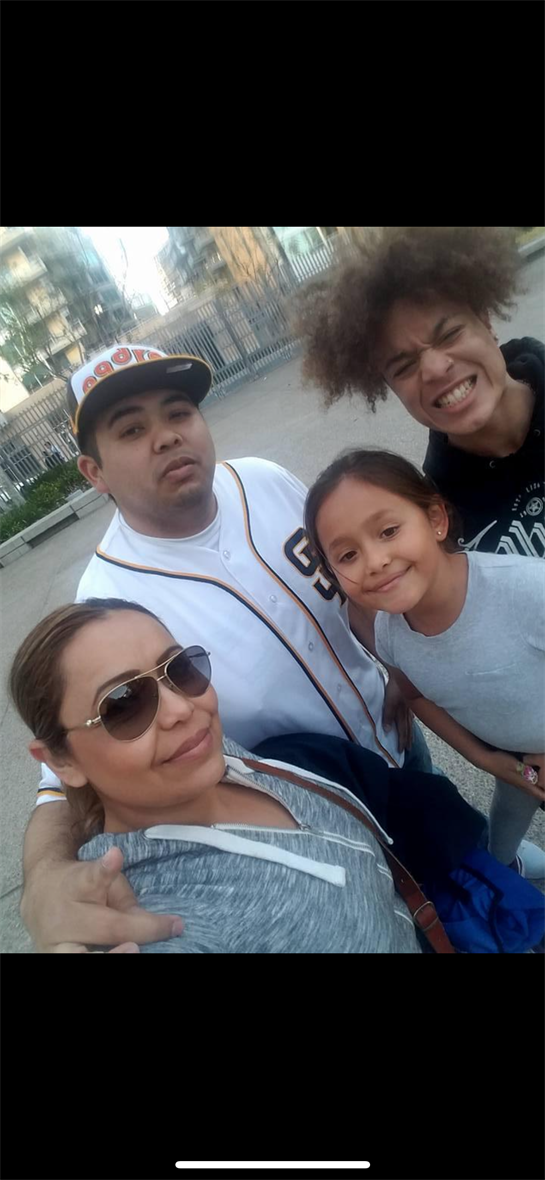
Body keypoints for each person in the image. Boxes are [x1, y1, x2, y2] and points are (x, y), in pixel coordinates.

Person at [22, 341, 434, 954]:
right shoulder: (107, 601)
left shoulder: (264, 480)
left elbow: (357, 577)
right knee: (400, 903)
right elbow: (64, 772)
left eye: (178, 412)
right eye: (132, 429)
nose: (167, 436)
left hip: (397, 730)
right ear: (94, 472)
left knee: (453, 852)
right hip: (310, 792)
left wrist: (399, 662)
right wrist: (43, 881)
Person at [11, 599, 427, 954]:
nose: (181, 709)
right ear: (61, 762)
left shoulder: (209, 756)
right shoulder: (152, 917)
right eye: (123, 705)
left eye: (180, 669)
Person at [304, 448, 545, 877]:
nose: (375, 561)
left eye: (388, 530)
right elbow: (415, 696)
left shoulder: (528, 591)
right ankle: (507, 882)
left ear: (436, 519)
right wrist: (487, 761)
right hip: (515, 767)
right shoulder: (388, 634)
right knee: (501, 840)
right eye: (347, 555)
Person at [296, 226, 544, 558]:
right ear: (391, 388)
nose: (435, 369)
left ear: (485, 320)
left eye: (450, 334)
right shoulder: (439, 518)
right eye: (404, 366)